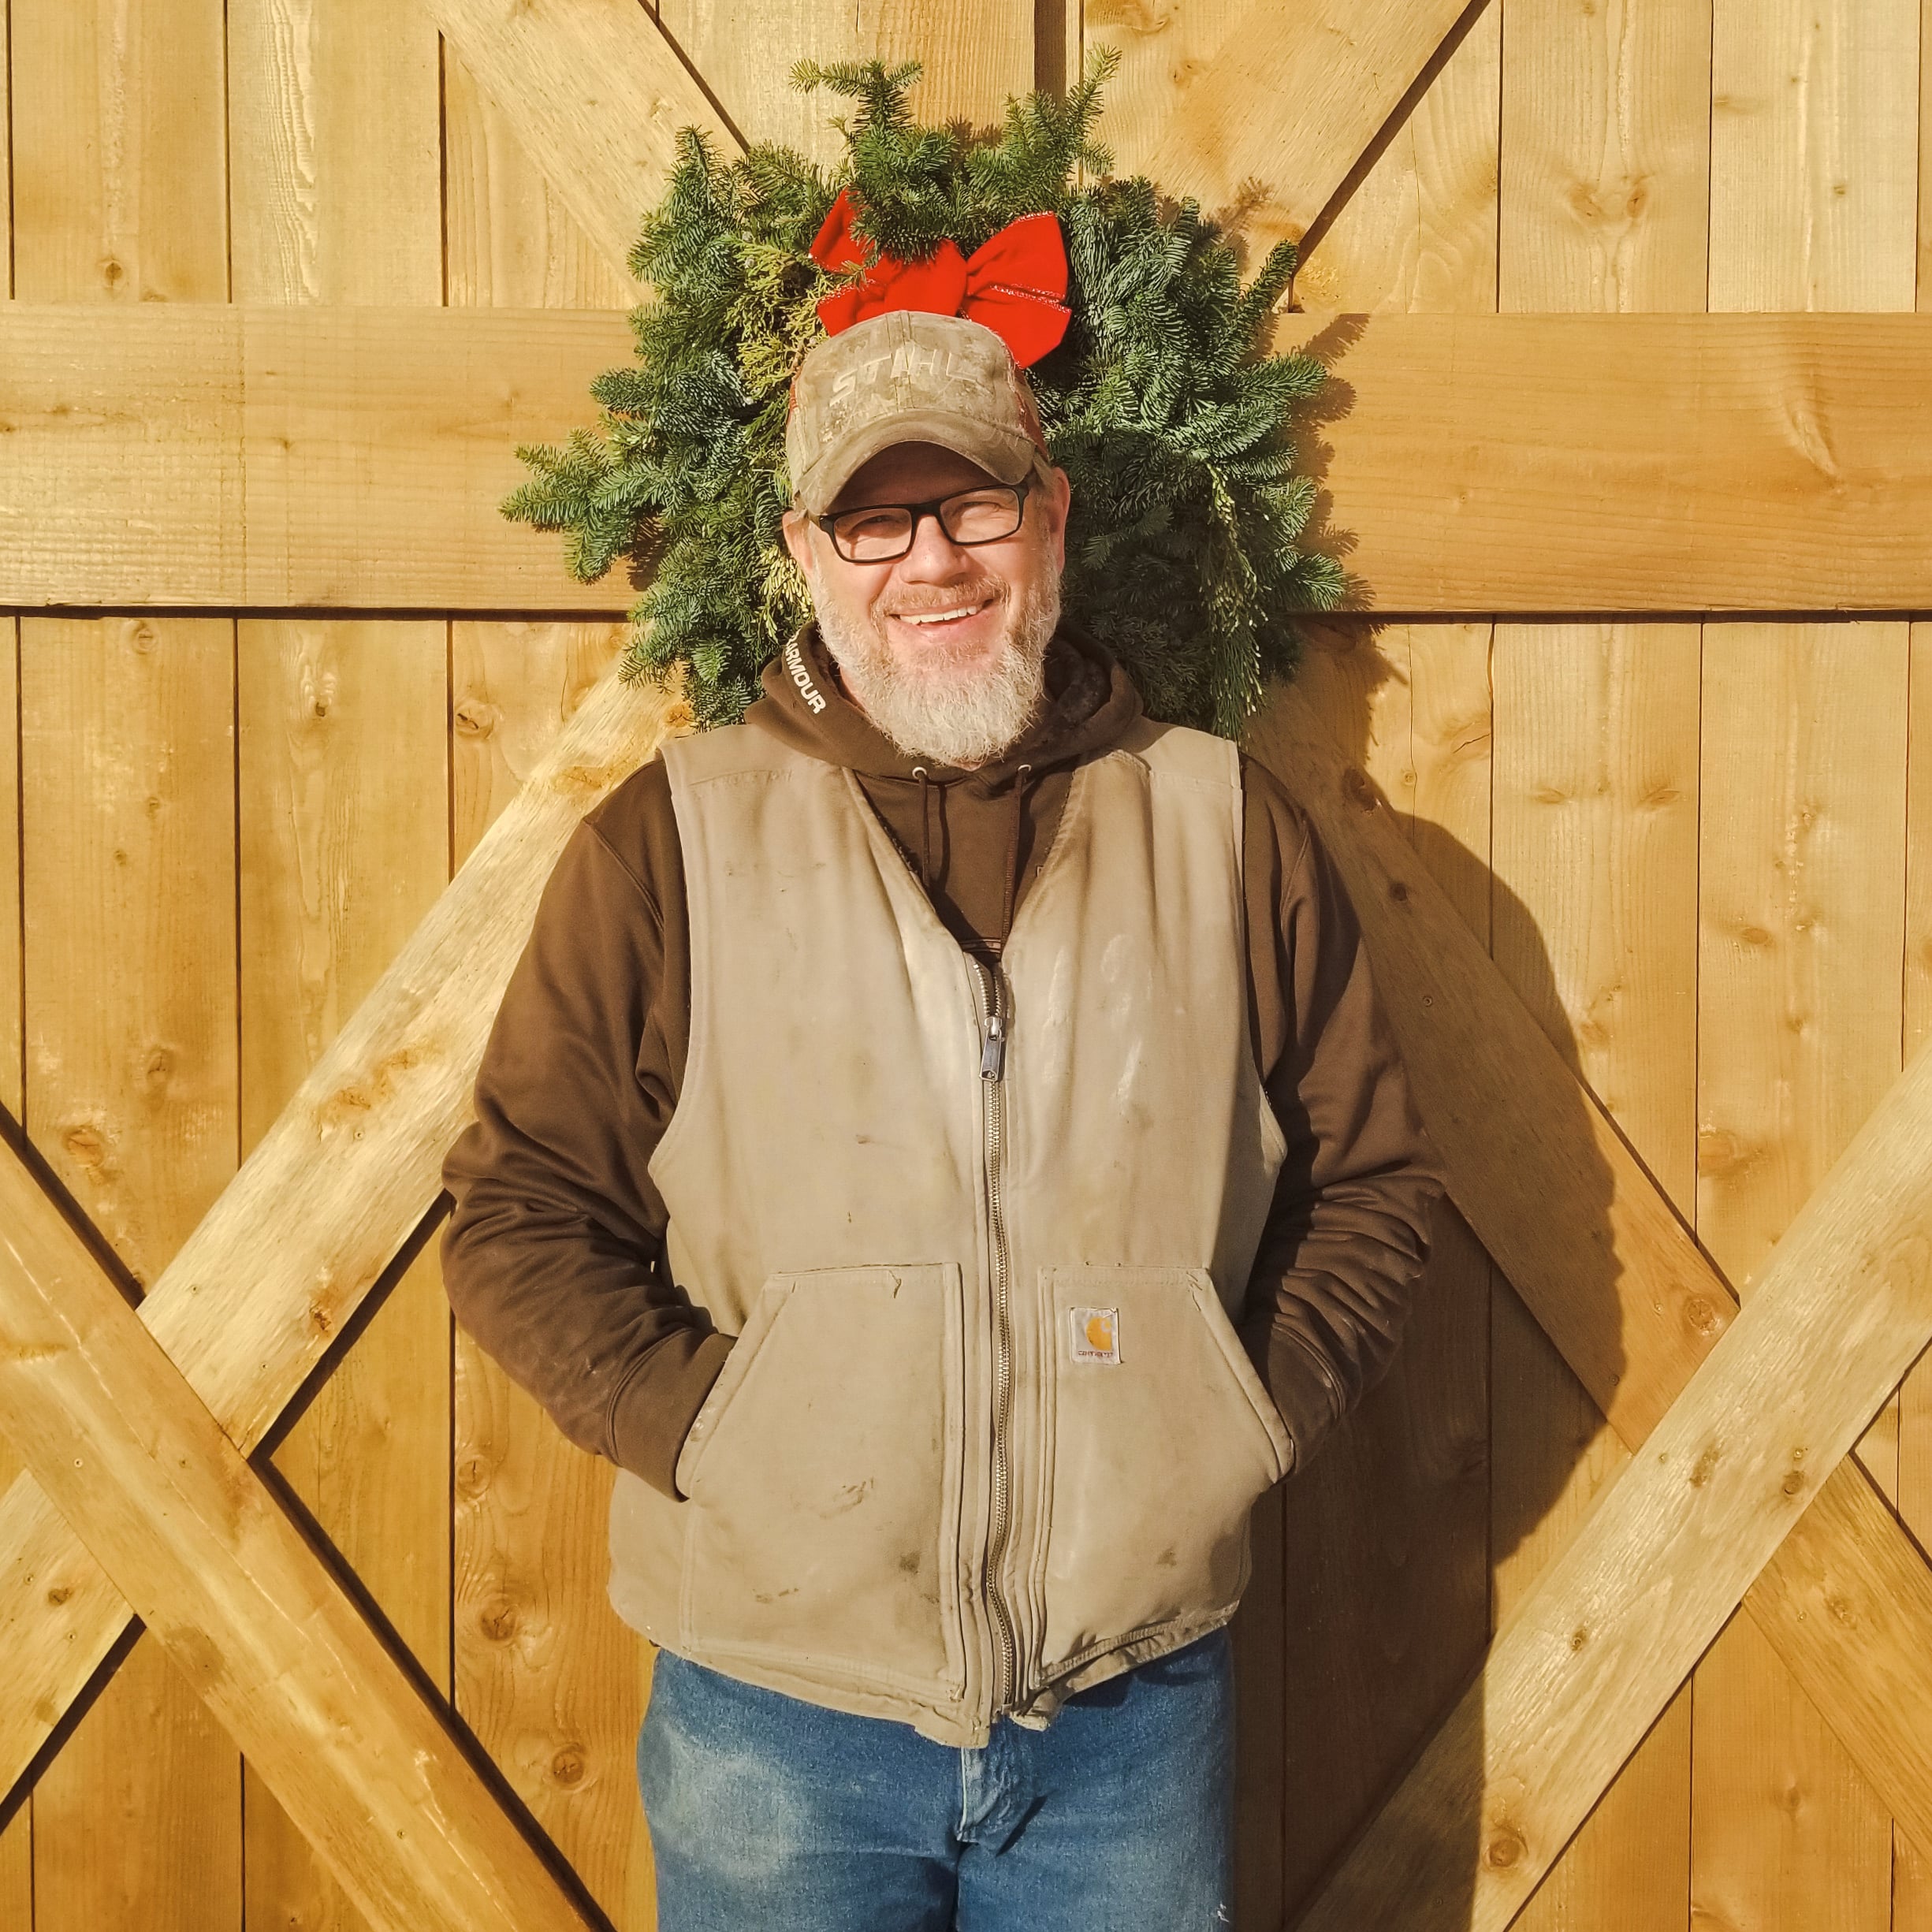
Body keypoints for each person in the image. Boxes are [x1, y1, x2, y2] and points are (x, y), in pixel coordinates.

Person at [440, 305, 1446, 1930]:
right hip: (772, 1711)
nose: (930, 562)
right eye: (872, 517)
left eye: (972, 504)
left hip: (1125, 1711)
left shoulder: (1219, 822)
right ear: (803, 550)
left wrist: (1235, 1410)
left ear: (1046, 518)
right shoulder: (669, 843)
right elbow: (514, 1208)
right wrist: (716, 1431)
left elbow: (1375, 1178)